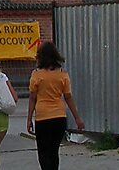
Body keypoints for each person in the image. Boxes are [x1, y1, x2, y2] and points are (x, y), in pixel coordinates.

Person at [26, 41, 85, 170]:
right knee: (54, 152)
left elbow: (32, 98)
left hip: (42, 118)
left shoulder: (36, 74)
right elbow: (68, 97)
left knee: (43, 152)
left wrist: (29, 119)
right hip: (59, 117)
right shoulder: (62, 74)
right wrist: (77, 118)